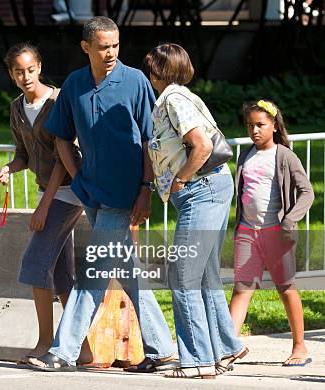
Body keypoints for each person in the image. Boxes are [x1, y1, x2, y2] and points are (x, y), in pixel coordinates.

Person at [27, 16, 176, 372]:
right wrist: (77, 176)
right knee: (128, 272)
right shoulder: (74, 84)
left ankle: (61, 352)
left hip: (124, 195)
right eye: (103, 46)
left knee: (93, 271)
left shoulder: (136, 81)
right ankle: (163, 349)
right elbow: (61, 137)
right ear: (86, 47)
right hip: (91, 191)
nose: (111, 53)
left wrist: (145, 189)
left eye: (115, 45)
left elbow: (148, 141)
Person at [145, 43, 247, 379]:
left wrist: (180, 180)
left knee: (183, 277)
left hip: (201, 189)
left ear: (161, 72)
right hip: (212, 187)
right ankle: (227, 346)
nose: (149, 73)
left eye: (152, 68)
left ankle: (198, 362)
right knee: (203, 274)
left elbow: (202, 145)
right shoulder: (181, 96)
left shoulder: (173, 99)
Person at [0, 43, 91, 364]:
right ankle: (84, 349)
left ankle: (45, 342)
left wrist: (44, 206)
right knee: (62, 275)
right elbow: (23, 154)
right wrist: (9, 168)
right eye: (18, 71)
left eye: (31, 69)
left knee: (35, 264)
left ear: (39, 66)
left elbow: (65, 160)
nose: (26, 76)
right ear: (11, 74)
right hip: (47, 193)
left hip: (68, 192)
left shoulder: (59, 101)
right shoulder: (16, 108)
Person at [228, 100, 314, 367]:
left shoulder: (285, 156)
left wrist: (290, 220)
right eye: (249, 125)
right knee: (241, 289)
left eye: (260, 125)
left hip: (276, 233)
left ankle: (299, 346)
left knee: (286, 288)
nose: (254, 130)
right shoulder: (246, 155)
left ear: (274, 126)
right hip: (247, 232)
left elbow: (307, 192)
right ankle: (228, 346)